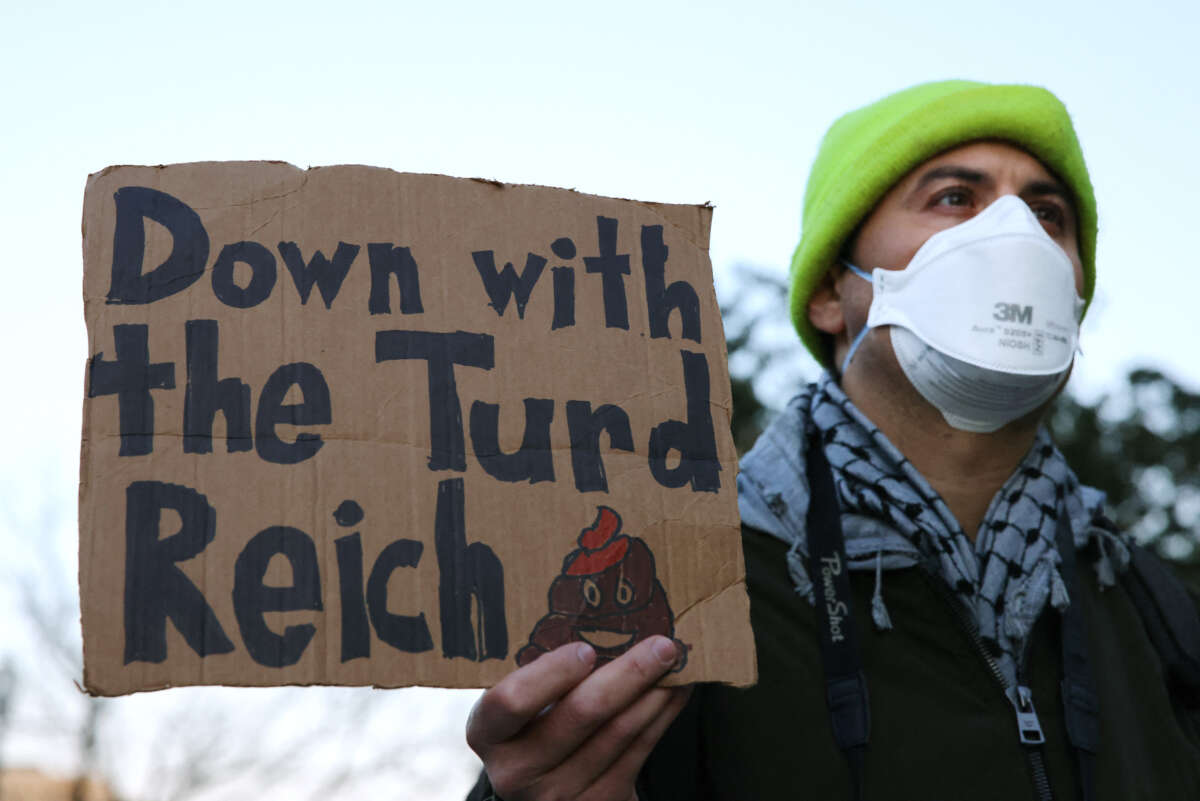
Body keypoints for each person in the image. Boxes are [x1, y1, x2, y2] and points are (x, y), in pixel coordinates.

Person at [464, 80, 1200, 800]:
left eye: (1047, 213)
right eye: (954, 198)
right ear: (830, 292)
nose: (1015, 235)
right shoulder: (681, 602)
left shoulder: (1152, 610)